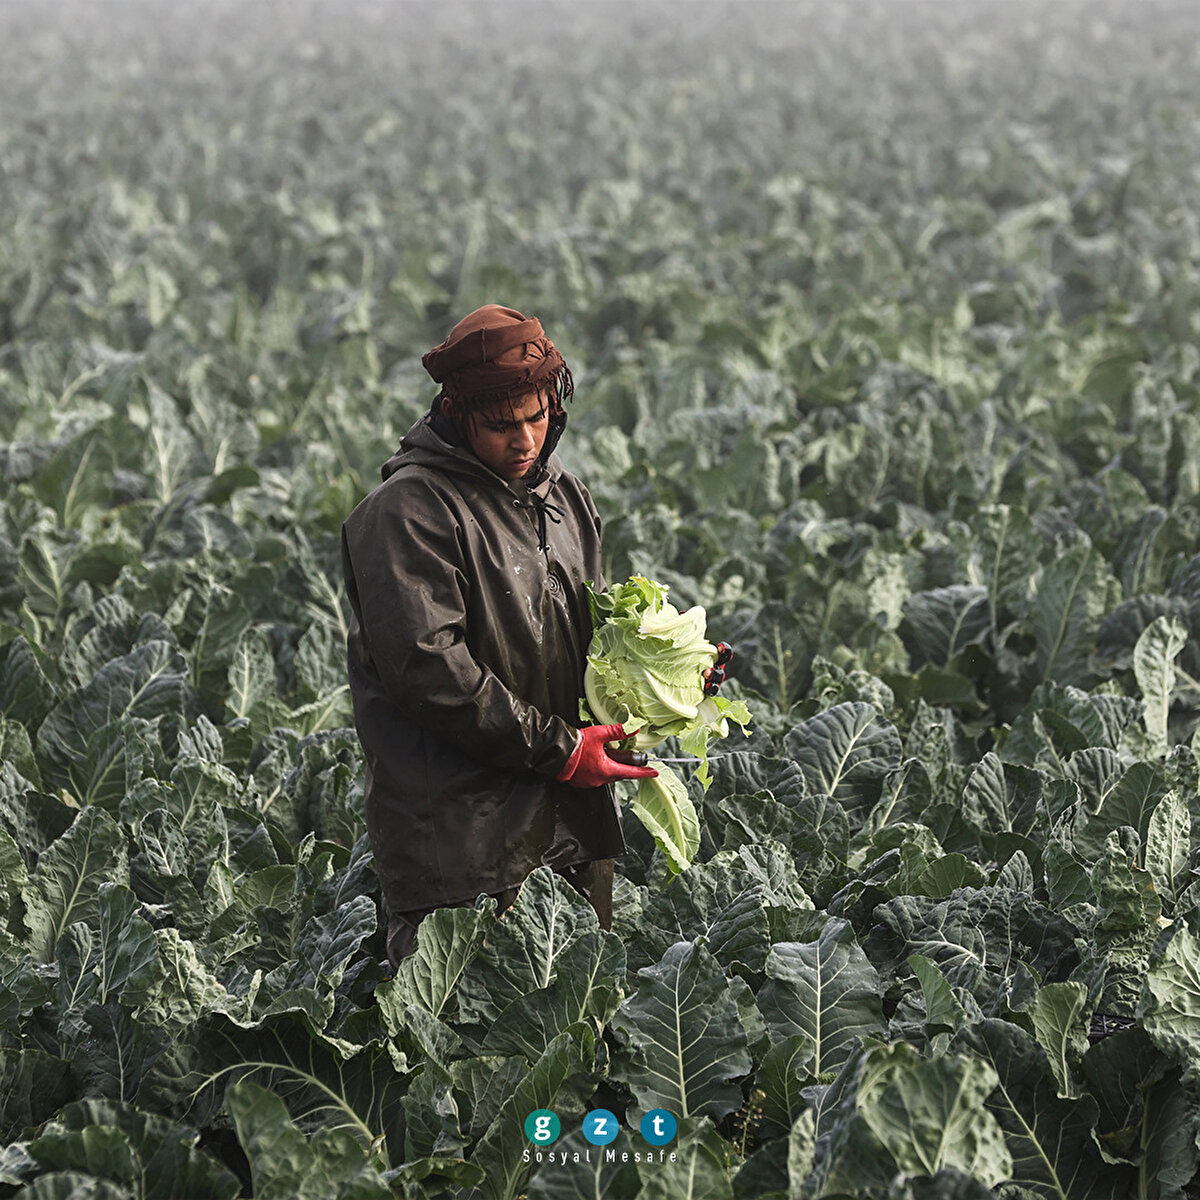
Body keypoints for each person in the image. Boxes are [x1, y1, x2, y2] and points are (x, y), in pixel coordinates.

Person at [341, 304, 659, 967]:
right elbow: (429, 671)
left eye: (539, 418)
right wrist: (563, 750)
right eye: (501, 426)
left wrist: (668, 678)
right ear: (455, 414)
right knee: (466, 1043)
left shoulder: (565, 496)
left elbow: (592, 637)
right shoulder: (407, 513)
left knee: (577, 1031)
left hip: (572, 824)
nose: (526, 441)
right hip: (464, 844)